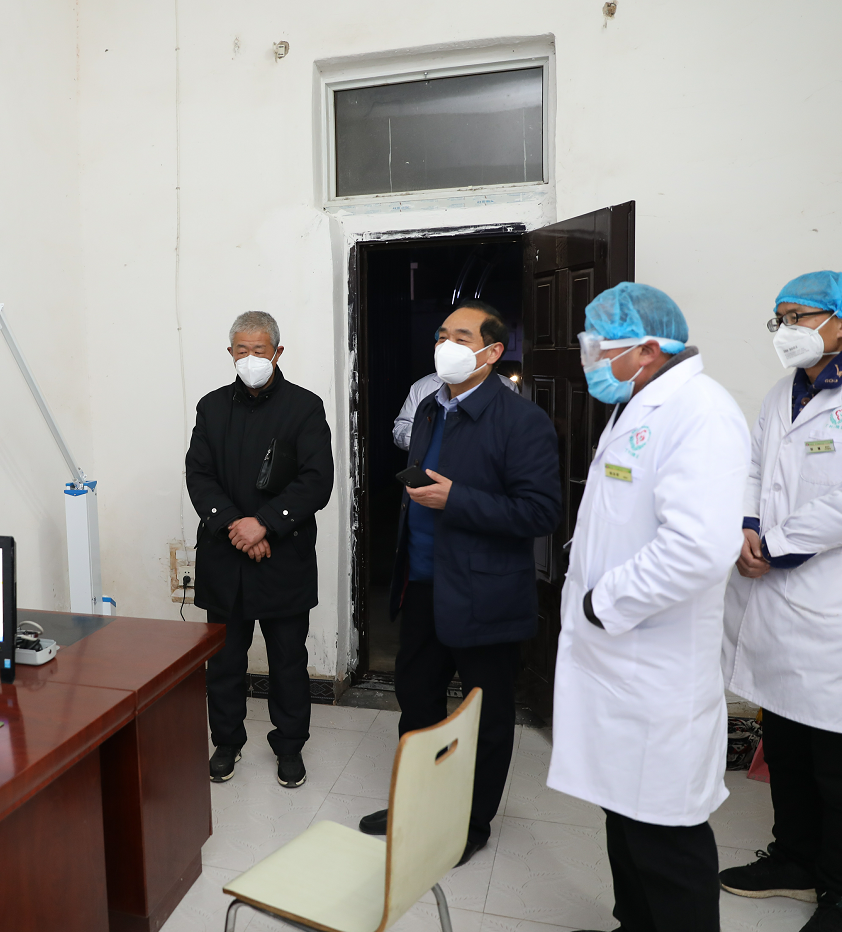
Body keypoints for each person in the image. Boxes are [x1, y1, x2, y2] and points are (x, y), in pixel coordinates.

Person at [545, 282, 749, 932]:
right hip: (619, 665)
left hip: (653, 670)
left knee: (665, 838)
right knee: (625, 821)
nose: (589, 357)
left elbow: (699, 548)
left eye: (601, 346)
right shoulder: (639, 406)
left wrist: (603, 604)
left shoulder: (700, 411)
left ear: (649, 349)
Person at [720, 272, 842, 932]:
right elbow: (754, 469)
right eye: (781, 319)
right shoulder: (783, 392)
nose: (786, 330)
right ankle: (795, 859)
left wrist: (779, 542)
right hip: (776, 601)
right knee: (788, 746)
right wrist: (746, 527)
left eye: (798, 316)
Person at [356, 300, 560, 867]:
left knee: (484, 715)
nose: (446, 345)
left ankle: (471, 822)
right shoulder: (429, 409)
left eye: (462, 337)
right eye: (442, 334)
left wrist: (458, 499)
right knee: (416, 699)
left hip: (485, 592)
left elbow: (541, 512)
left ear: (492, 352)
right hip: (423, 583)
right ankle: (416, 803)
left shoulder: (521, 420)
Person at [186, 311, 334, 788]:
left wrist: (265, 524)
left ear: (277, 352)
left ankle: (289, 745)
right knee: (224, 662)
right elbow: (199, 475)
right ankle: (226, 742)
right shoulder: (211, 407)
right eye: (242, 350)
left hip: (282, 556)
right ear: (231, 353)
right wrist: (236, 525)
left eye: (260, 350)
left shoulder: (305, 407)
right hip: (225, 556)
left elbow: (317, 481)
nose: (251, 358)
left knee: (288, 661)